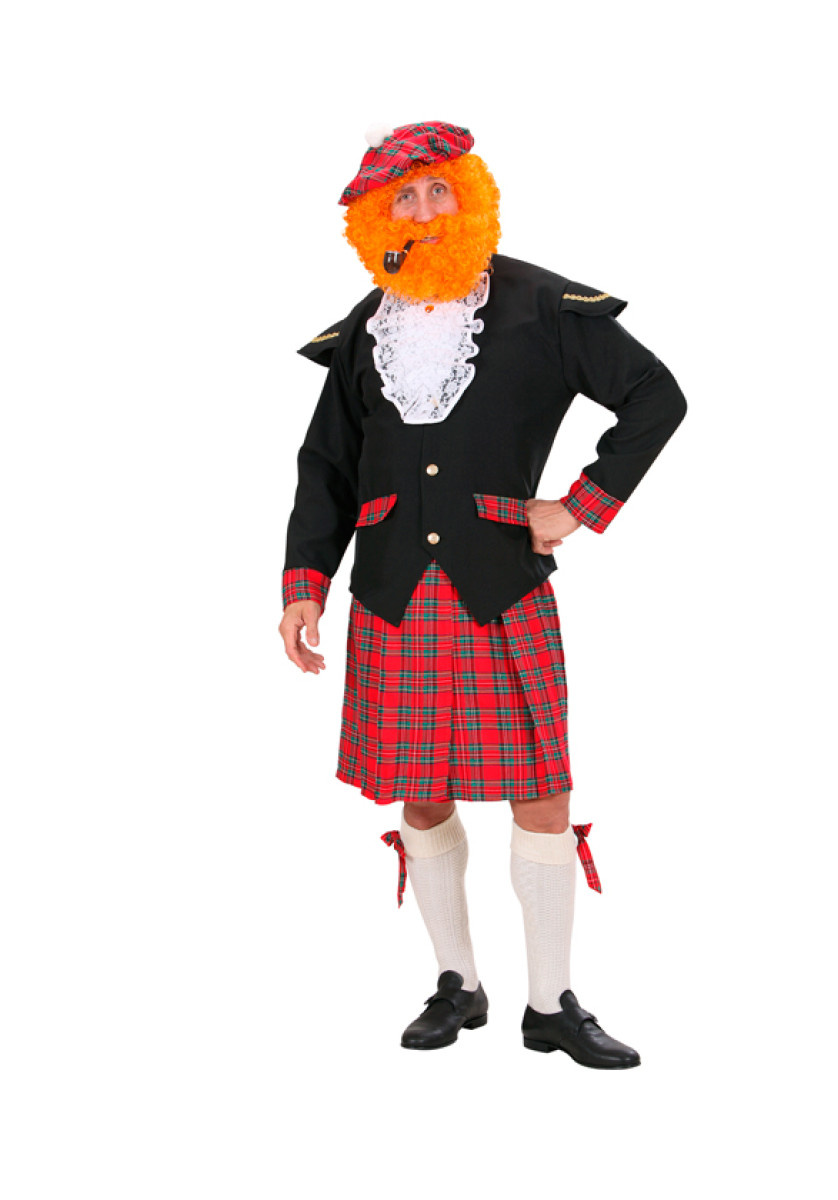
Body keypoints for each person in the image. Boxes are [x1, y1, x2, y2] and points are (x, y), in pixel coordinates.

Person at [278, 121, 687, 1069]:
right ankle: (457, 984)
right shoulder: (365, 328)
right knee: (421, 797)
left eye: (439, 190)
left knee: (541, 794)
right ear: (381, 218)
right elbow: (326, 466)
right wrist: (305, 586)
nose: (424, 210)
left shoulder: (543, 304)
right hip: (392, 595)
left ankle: (551, 1003)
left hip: (501, 585)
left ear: (471, 197)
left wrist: (579, 506)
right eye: (404, 197)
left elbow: (655, 395)